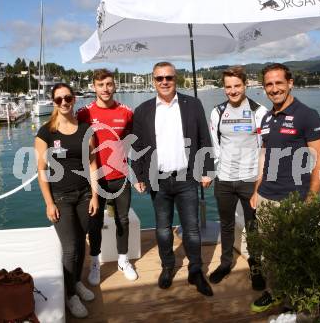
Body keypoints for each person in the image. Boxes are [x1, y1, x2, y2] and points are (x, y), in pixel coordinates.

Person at [131, 61, 214, 296]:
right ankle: (167, 266)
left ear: (176, 79)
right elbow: (136, 147)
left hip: (187, 177)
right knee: (163, 229)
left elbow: (204, 139)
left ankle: (196, 270)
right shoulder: (143, 110)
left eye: (169, 77)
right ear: (153, 81)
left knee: (192, 229)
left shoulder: (193, 104)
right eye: (159, 78)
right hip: (157, 179)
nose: (165, 82)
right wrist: (138, 175)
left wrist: (207, 169)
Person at [249, 63, 320, 313]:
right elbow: (265, 157)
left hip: (294, 199)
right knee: (271, 254)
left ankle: (296, 305)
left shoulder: (307, 115)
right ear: (264, 88)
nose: (274, 89)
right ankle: (275, 292)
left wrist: (311, 201)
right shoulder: (267, 117)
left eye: (279, 83)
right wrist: (256, 190)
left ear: (290, 83)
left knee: (296, 256)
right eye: (269, 84)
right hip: (267, 197)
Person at [35, 83, 99, 319]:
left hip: (84, 194)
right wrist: (49, 203)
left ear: (74, 100)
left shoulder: (85, 129)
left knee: (81, 242)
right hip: (60, 196)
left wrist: (94, 195)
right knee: (70, 247)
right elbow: (41, 170)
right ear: (53, 102)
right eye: (59, 99)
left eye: (68, 98)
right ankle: (70, 294)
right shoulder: (46, 132)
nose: (64, 102)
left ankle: (76, 282)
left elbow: (92, 164)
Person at [208, 66, 268, 290]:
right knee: (226, 224)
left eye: (237, 86)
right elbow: (215, 146)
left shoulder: (258, 111)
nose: (232, 91)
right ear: (224, 88)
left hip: (249, 179)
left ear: (245, 85)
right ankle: (225, 264)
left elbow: (264, 149)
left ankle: (256, 269)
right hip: (224, 180)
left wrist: (259, 182)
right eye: (228, 87)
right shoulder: (217, 112)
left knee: (253, 226)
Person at [77, 69, 138, 285]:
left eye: (109, 84)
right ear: (94, 86)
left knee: (122, 220)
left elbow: (133, 143)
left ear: (115, 85)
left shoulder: (126, 112)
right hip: (94, 179)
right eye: (101, 85)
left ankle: (123, 260)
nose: (105, 89)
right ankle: (95, 262)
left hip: (120, 175)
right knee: (95, 222)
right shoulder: (84, 113)